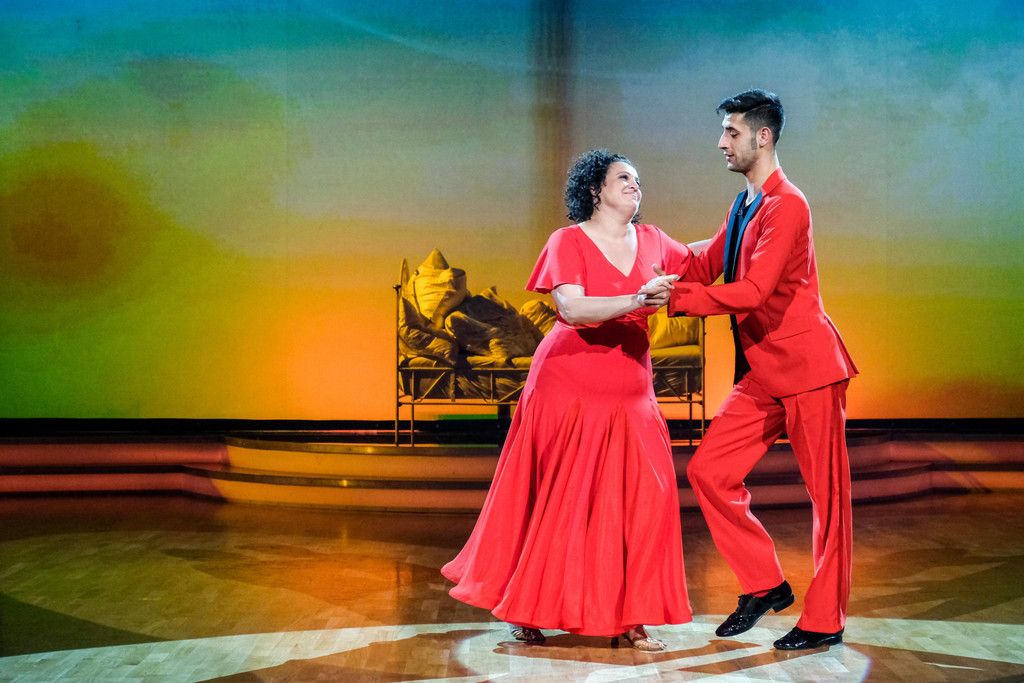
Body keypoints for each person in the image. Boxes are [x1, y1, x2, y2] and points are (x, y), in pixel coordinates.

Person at [442, 149, 692, 651]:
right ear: (595, 189)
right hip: (567, 386)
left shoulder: (653, 240)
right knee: (558, 500)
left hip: (630, 390)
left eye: (638, 179)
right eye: (623, 177)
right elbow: (572, 308)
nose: (635, 184)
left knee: (641, 501)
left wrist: (749, 216)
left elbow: (703, 258)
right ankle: (528, 608)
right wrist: (638, 299)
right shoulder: (568, 240)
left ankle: (632, 614)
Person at [661, 89, 858, 650]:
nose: (721, 142)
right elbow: (706, 261)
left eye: (731, 132)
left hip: (808, 368)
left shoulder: (788, 204)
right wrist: (639, 254)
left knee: (828, 501)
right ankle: (765, 583)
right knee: (709, 471)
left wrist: (675, 300)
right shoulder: (744, 202)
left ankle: (825, 619)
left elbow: (752, 291)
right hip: (764, 372)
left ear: (763, 136)